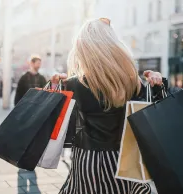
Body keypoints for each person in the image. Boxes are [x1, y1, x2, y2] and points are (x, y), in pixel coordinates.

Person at [51, 18, 163, 194]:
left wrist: (55, 87)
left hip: (87, 161)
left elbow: (59, 123)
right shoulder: (132, 83)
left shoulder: (73, 84)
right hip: (123, 161)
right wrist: (157, 84)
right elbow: (153, 116)